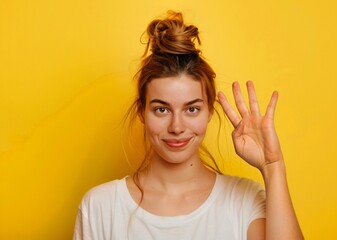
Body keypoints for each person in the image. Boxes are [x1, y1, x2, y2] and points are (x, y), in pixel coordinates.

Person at [73, 11, 304, 240]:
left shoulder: (244, 201)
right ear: (142, 112)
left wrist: (272, 166)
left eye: (191, 109)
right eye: (161, 109)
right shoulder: (100, 208)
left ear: (209, 112)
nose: (176, 126)